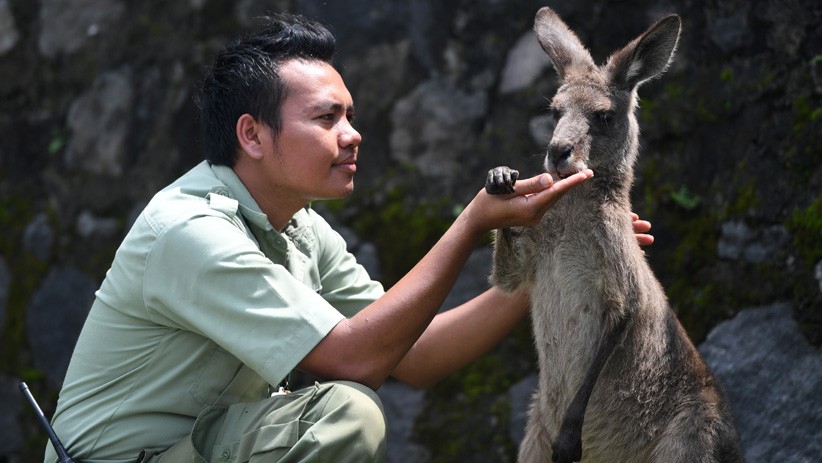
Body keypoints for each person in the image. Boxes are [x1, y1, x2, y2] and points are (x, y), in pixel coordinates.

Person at [44, 13, 653, 463]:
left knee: (340, 412)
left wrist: (554, 261)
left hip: (188, 449)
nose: (353, 134)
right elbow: (356, 358)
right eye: (326, 118)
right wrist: (471, 226)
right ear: (252, 136)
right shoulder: (190, 231)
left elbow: (413, 354)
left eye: (351, 116)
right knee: (343, 415)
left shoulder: (301, 230)